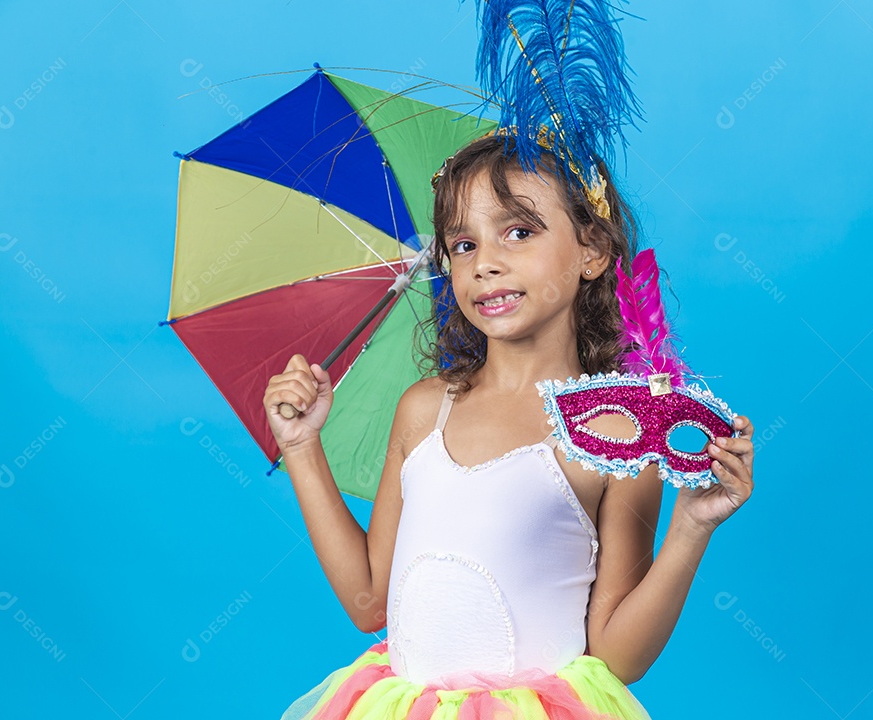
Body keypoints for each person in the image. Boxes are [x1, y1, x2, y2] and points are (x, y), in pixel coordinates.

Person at [263, 133, 756, 719]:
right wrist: (301, 446)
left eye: (519, 231)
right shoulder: (424, 410)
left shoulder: (620, 432)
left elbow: (618, 658)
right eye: (464, 244)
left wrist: (691, 528)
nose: (486, 263)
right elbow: (370, 602)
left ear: (591, 251)